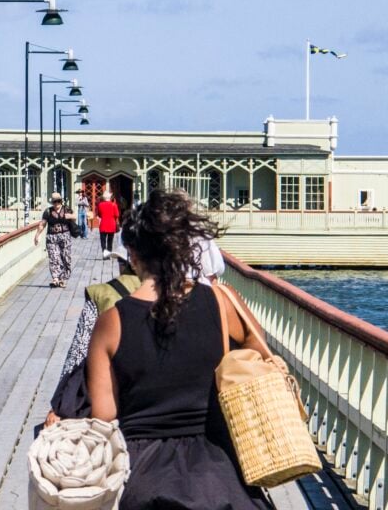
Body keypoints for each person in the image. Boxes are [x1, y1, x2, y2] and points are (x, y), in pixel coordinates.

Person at [86, 189, 270, 509]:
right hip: (221, 467)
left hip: (144, 474)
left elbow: (104, 414)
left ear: (132, 255)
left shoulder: (111, 322)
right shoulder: (221, 301)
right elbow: (260, 355)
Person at [43, 244, 140, 427]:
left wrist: (60, 404)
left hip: (112, 399)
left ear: (123, 263)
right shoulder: (174, 293)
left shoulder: (102, 294)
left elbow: (79, 352)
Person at [34, 192, 76, 288]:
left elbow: (75, 216)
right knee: (53, 258)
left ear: (61, 201)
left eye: (58, 201)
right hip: (52, 237)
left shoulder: (67, 209)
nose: (57, 204)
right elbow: (42, 224)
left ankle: (63, 278)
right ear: (52, 202)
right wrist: (37, 235)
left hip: (65, 236)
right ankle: (55, 279)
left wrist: (70, 216)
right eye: (54, 202)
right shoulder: (48, 211)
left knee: (66, 258)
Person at [96, 190, 119, 257]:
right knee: (110, 241)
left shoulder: (100, 205)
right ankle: (109, 254)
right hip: (112, 224)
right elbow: (117, 215)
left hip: (103, 224)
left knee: (103, 241)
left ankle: (104, 253)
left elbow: (99, 215)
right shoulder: (113, 205)